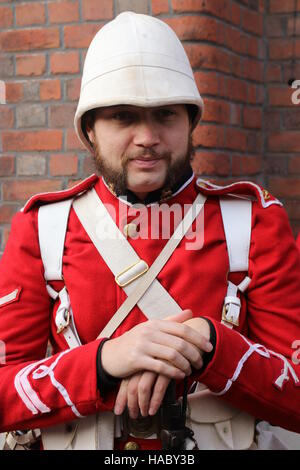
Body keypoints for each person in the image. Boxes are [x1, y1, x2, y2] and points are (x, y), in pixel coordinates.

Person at [0, 12, 299, 451]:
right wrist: (104, 362)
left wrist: (209, 344)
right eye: (123, 117)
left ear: (190, 122)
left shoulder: (254, 221)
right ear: (89, 130)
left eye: (165, 115)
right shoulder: (43, 227)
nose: (147, 137)